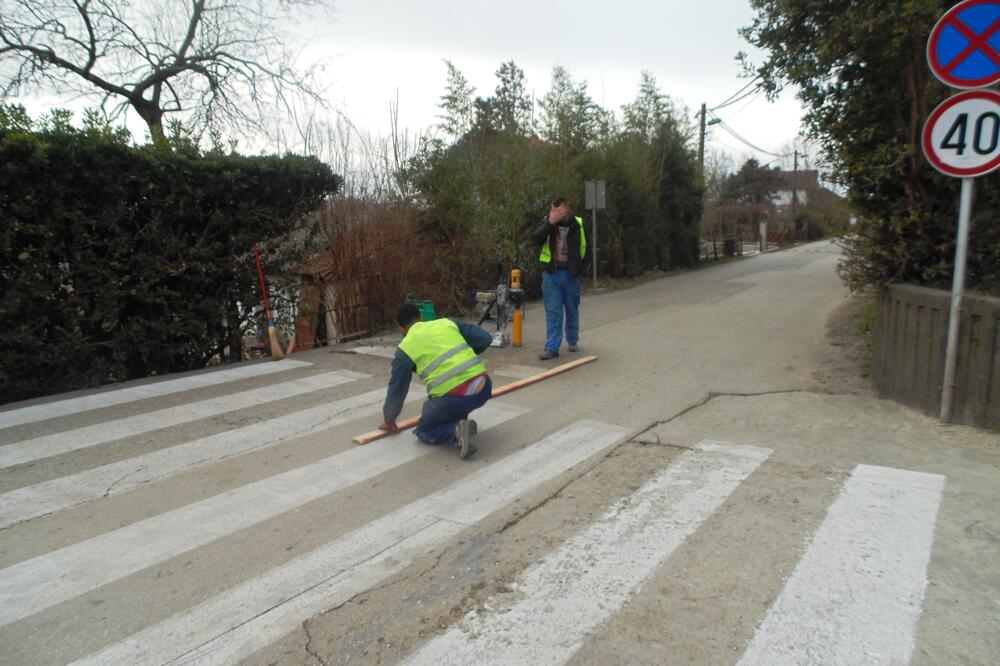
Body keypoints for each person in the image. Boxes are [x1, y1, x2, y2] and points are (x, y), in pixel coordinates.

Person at [379, 303, 493, 459]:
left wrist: (389, 420)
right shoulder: (447, 323)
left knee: (424, 430)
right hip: (483, 387)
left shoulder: (405, 348)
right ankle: (460, 422)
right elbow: (485, 338)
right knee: (453, 404)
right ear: (421, 317)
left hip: (454, 399)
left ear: (401, 330)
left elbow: (397, 389)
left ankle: (456, 431)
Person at [532, 196, 587, 360]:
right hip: (551, 274)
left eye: (560, 209)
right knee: (553, 311)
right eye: (554, 209)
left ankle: (572, 339)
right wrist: (550, 222)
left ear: (567, 208)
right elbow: (536, 238)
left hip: (571, 275)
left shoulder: (578, 224)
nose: (557, 212)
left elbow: (587, 248)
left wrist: (581, 270)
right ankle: (552, 347)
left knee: (572, 309)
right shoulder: (548, 222)